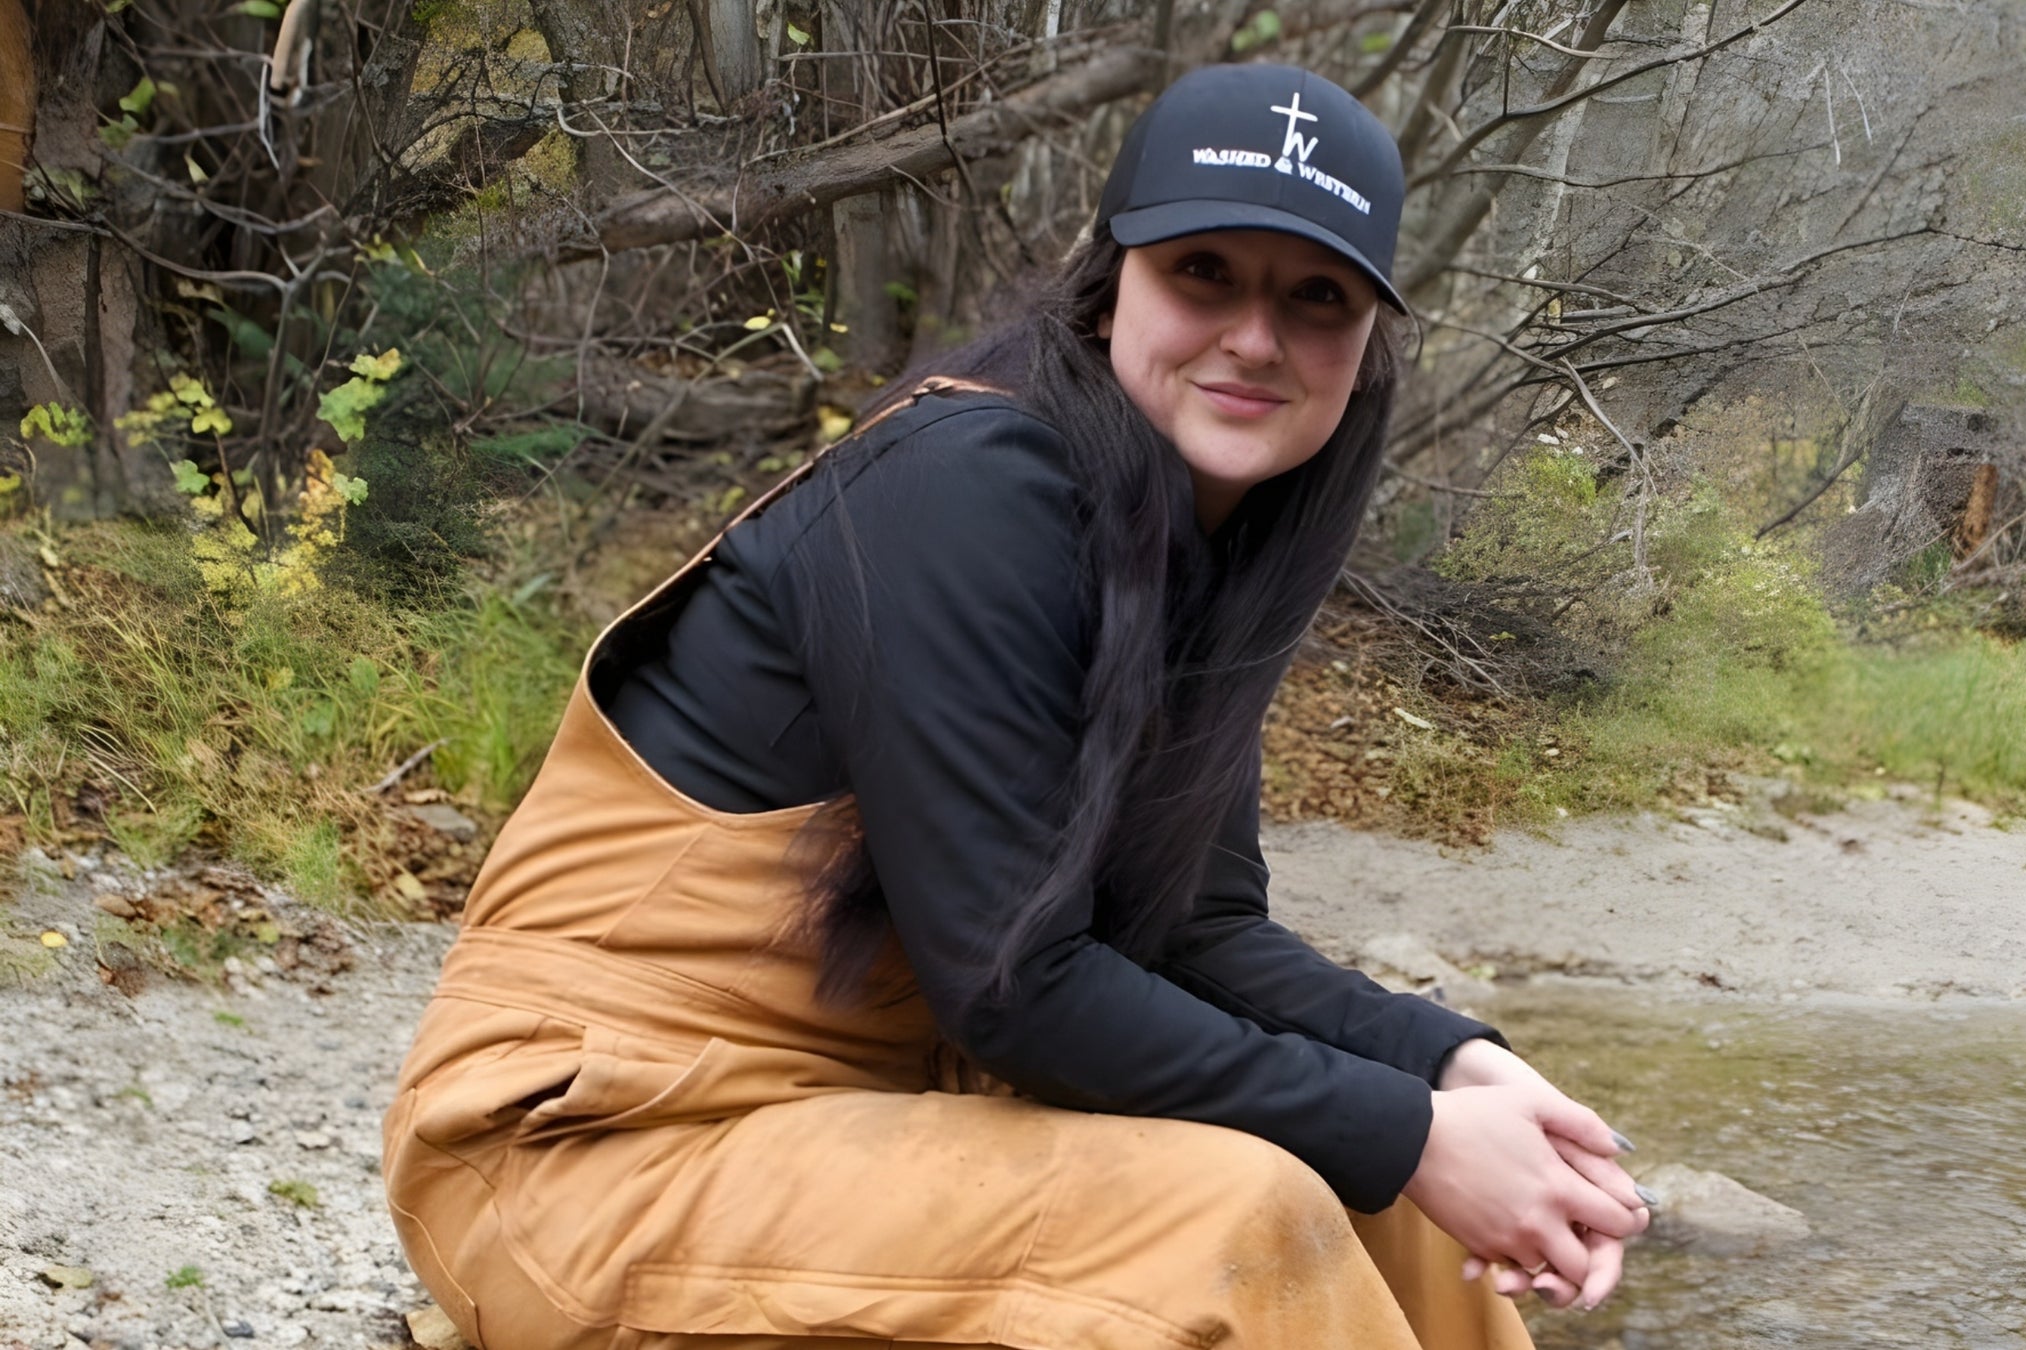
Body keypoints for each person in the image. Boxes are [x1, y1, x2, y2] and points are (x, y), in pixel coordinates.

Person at [382, 62, 1650, 1349]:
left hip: (851, 1131)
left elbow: (1195, 933)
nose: (1258, 337)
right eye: (1204, 271)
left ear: (1366, 345)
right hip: (589, 1149)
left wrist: (1446, 1066)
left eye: (1316, 297)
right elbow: (1014, 983)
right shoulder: (967, 486)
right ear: (1111, 282)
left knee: (1399, 1197)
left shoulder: (1190, 558)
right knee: (1247, 1211)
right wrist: (1411, 1133)